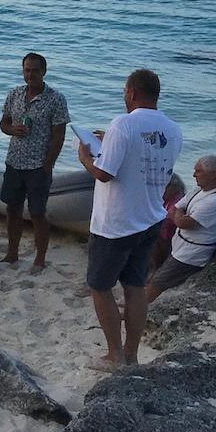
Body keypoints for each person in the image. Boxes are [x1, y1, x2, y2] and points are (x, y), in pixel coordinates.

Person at [77, 68, 182, 372]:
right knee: (134, 286)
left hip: (117, 222)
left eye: (125, 91)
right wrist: (108, 141)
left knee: (100, 286)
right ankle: (131, 355)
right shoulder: (173, 129)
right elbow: (147, 157)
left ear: (132, 92)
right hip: (150, 217)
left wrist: (85, 157)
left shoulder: (123, 123)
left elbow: (104, 173)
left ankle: (114, 355)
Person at [0, 52, 71, 274]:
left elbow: (59, 136)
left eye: (35, 70)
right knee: (12, 210)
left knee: (38, 213)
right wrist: (12, 129)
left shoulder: (56, 99)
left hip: (38, 166)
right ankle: (12, 253)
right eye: (27, 70)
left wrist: (48, 165)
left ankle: (40, 259)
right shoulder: (14, 94)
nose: (30, 74)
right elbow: (3, 123)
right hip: (14, 162)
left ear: (44, 71)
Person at [147, 154, 216, 302]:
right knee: (159, 276)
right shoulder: (198, 191)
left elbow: (183, 223)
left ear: (212, 175)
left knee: (158, 282)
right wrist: (179, 214)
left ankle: (136, 309)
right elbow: (174, 210)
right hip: (180, 246)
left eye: (198, 171)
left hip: (191, 255)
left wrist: (179, 215)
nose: (194, 175)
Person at [151, 173, 188, 271]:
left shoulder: (177, 203)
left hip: (171, 242)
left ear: (173, 187)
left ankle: (156, 268)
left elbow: (166, 228)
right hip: (167, 240)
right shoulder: (167, 200)